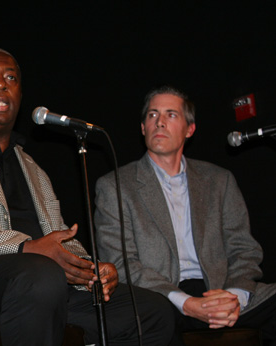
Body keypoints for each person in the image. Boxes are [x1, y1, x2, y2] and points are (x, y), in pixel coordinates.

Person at [0, 47, 176, 346]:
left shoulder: (33, 168)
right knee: (38, 273)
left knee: (153, 311)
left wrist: (88, 269)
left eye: (11, 78)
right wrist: (24, 247)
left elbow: (58, 238)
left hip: (46, 287)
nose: (1, 83)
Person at [94, 85, 276, 343]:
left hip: (221, 290)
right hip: (161, 296)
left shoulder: (219, 180)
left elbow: (244, 250)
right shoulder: (114, 186)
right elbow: (121, 263)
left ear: (189, 129)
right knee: (151, 316)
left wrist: (233, 297)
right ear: (143, 128)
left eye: (171, 115)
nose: (159, 122)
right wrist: (187, 303)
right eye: (152, 115)